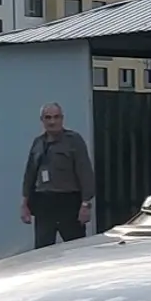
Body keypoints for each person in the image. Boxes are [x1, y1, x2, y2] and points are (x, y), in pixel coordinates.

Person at [19, 102, 94, 249]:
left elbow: (85, 173)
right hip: (44, 204)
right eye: (48, 118)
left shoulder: (73, 141)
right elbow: (30, 174)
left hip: (68, 202)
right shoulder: (38, 143)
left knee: (76, 248)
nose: (52, 122)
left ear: (62, 118)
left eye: (56, 117)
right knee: (42, 251)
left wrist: (86, 204)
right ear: (42, 120)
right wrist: (25, 204)